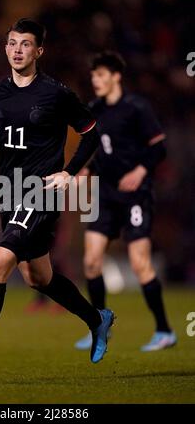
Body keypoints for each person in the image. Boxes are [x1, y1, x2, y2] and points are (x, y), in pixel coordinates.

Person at [0, 19, 114, 380]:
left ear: (38, 51)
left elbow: (91, 132)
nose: (17, 50)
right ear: (5, 48)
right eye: (12, 43)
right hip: (8, 192)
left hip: (40, 192)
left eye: (25, 44)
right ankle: (97, 319)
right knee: (38, 277)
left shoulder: (55, 93)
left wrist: (70, 170)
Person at [74, 51, 176, 352]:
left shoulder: (136, 108)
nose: (96, 81)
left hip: (135, 194)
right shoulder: (94, 110)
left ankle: (164, 330)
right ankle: (99, 327)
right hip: (105, 195)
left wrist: (140, 170)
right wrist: (86, 171)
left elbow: (159, 149)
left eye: (101, 75)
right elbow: (99, 151)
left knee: (139, 263)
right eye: (93, 76)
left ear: (116, 76)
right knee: (91, 261)